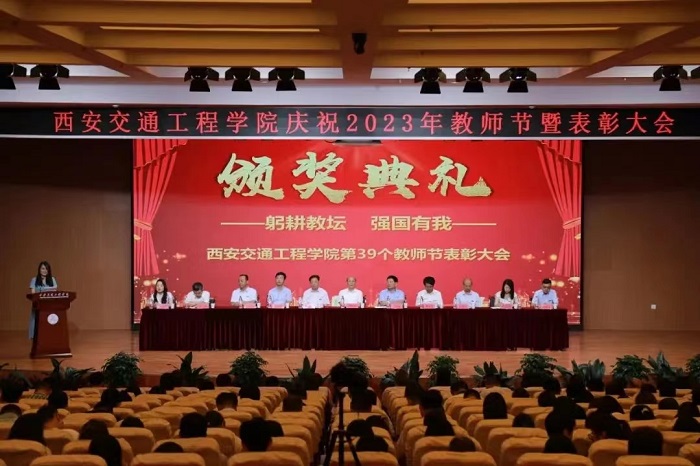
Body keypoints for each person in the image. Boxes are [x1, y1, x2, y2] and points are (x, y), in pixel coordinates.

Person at [28, 261, 58, 338]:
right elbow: (33, 293)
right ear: (39, 269)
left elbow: (55, 292)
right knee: (37, 322)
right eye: (43, 268)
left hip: (49, 305)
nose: (44, 270)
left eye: (46, 269)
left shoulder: (52, 279)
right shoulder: (34, 280)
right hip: (38, 305)